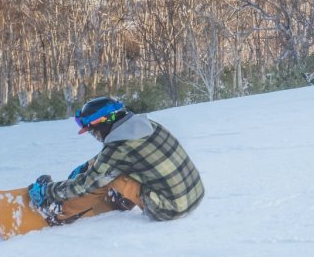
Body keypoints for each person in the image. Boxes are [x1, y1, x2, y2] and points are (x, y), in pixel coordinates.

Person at [26, 96, 205, 225]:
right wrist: (90, 165)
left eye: (91, 130)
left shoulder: (118, 147)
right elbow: (117, 158)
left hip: (169, 209)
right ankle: (121, 198)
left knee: (108, 176)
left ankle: (59, 212)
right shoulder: (146, 125)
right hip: (193, 195)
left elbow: (87, 184)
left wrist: (48, 191)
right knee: (106, 169)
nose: (94, 135)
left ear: (103, 124)